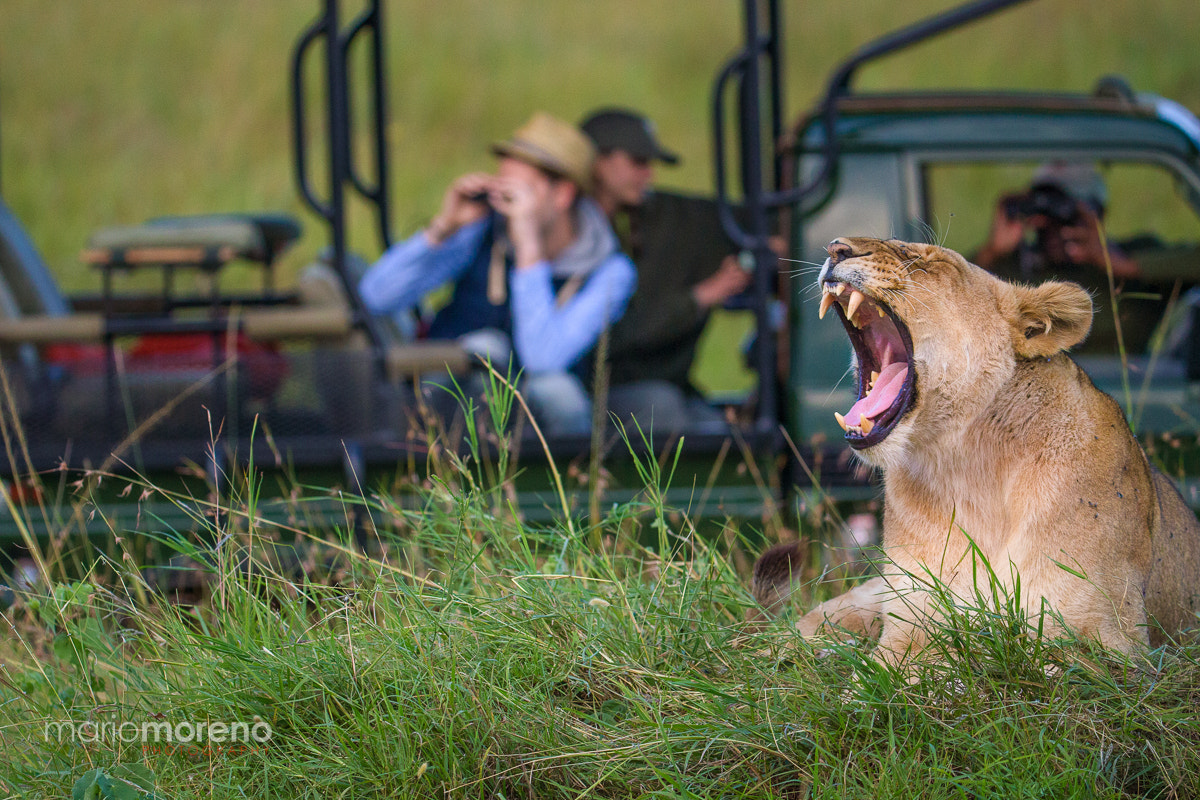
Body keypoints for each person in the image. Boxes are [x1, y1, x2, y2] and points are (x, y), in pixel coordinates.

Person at [358, 112, 636, 436]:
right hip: (448, 403)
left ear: (562, 195)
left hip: (536, 422)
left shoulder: (610, 271)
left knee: (558, 391)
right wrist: (441, 229)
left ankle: (558, 484)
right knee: (482, 347)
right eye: (501, 187)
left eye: (519, 192)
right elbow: (374, 298)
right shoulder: (482, 231)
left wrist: (528, 252)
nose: (504, 203)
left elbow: (542, 358)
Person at [580, 107, 752, 433]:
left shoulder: (649, 221)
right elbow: (617, 335)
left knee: (719, 432)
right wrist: (701, 297)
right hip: (597, 387)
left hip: (660, 386)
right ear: (599, 162)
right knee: (664, 408)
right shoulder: (571, 233)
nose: (648, 176)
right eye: (637, 163)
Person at [973, 161, 1189, 354]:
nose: (1052, 226)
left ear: (1098, 214)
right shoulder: (1010, 268)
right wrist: (991, 252)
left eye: (1065, 212)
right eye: (1043, 211)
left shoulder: (1136, 262)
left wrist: (1125, 265)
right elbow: (945, 291)